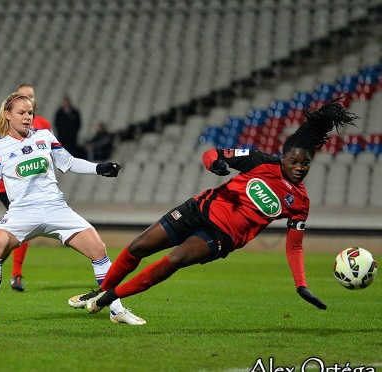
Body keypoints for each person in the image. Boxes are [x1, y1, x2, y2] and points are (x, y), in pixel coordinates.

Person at [68, 99, 358, 321]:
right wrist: (214, 164)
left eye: (305, 164)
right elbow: (214, 153)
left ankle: (110, 299)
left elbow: (294, 248)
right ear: (284, 157)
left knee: (176, 258)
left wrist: (301, 285)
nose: (299, 169)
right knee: (138, 246)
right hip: (199, 208)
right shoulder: (259, 161)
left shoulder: (300, 202)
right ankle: (101, 290)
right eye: (294, 161)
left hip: (221, 236)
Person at [0, 91, 145, 325]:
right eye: (21, 113)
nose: (27, 117)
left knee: (98, 249)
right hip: (22, 211)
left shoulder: (44, 136)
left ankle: (116, 310)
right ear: (8, 115)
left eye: (30, 112)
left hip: (55, 208)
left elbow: (68, 162)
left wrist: (99, 168)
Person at [0, 82, 52, 292]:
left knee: (20, 229)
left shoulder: (43, 125)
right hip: (10, 187)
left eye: (30, 96)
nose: (27, 98)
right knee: (22, 228)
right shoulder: (2, 128)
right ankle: (14, 273)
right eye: (23, 95)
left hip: (37, 187)